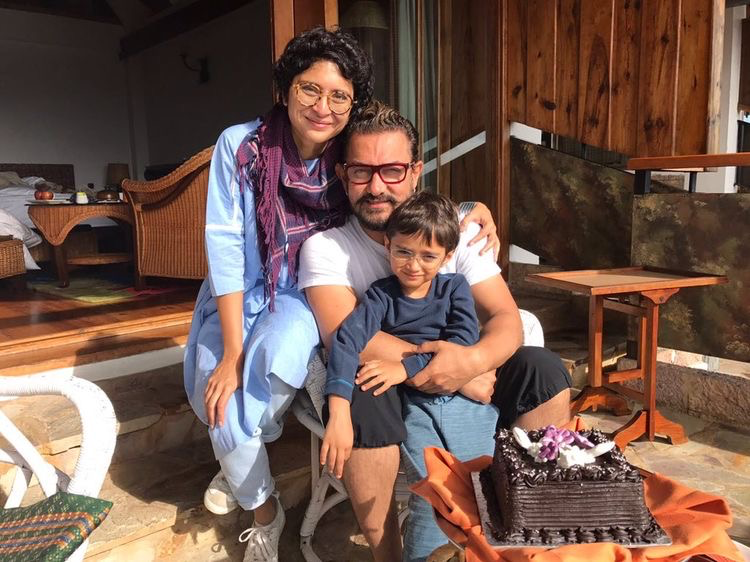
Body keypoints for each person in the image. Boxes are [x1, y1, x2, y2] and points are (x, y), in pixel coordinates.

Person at [183, 28, 500, 562]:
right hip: (239, 290)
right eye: (309, 89)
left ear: (352, 103)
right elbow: (226, 247)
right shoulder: (243, 147)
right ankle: (263, 508)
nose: (323, 107)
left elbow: (399, 191)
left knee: (272, 370)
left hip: (299, 292)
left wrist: (468, 209)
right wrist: (233, 348)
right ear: (285, 89)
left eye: (339, 96)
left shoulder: (345, 149)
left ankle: (241, 454)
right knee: (225, 402)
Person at [298, 100, 573, 561]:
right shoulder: (326, 249)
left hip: (462, 365)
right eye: (362, 171)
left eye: (391, 170)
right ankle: (389, 554)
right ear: (344, 175)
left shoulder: (456, 235)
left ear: (415, 172)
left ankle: (525, 526)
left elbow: (505, 318)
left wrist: (472, 362)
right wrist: (452, 373)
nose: (376, 187)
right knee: (365, 392)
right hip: (388, 380)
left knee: (541, 368)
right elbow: (352, 338)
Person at [322, 192, 486, 479]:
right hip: (412, 404)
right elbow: (347, 340)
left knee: (479, 473)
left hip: (459, 398)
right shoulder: (380, 295)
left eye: (428, 256)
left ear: (447, 257)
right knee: (433, 481)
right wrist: (339, 411)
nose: (413, 265)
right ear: (388, 245)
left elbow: (461, 343)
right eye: (403, 252)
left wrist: (405, 368)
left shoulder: (454, 288)